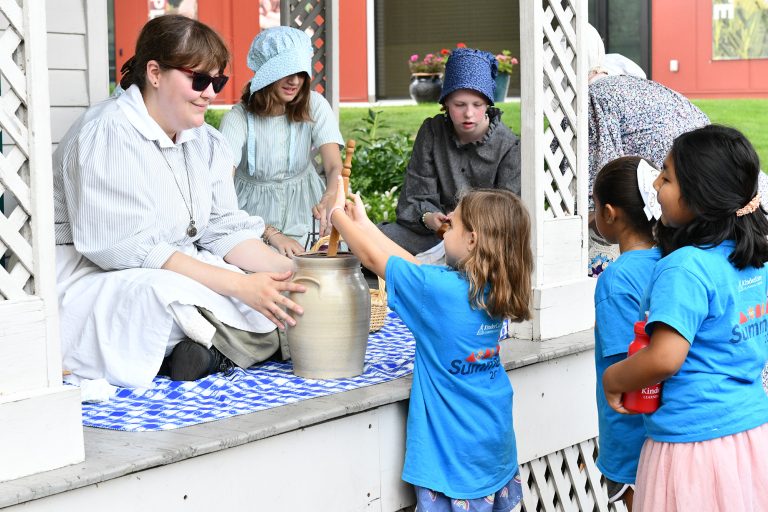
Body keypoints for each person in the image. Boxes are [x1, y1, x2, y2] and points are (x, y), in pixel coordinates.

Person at [53, 15, 307, 388]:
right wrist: (238, 286)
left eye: (217, 81)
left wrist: (299, 271)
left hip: (175, 265)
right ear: (154, 73)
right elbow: (125, 250)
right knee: (172, 297)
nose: (210, 93)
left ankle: (204, 353)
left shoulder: (203, 140)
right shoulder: (108, 134)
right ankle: (214, 350)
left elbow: (224, 230)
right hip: (99, 275)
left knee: (277, 294)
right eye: (199, 80)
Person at [328, 176, 531, 511]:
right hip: (493, 447)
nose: (444, 229)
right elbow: (410, 266)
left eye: (451, 226)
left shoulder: (439, 291)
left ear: (472, 240)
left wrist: (336, 215)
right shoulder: (493, 288)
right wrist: (362, 222)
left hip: (453, 460)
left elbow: (372, 258)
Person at [602, 125, 768, 510]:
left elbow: (664, 358)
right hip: (750, 436)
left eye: (666, 176)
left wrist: (614, 378)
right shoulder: (751, 260)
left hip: (692, 447)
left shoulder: (684, 268)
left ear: (699, 196)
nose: (657, 184)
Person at [379, 47, 522, 255]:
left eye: (477, 104)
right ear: (445, 102)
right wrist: (430, 219)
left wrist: (463, 230)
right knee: (377, 238)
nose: (469, 113)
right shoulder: (432, 132)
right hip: (433, 238)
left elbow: (506, 216)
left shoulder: (509, 146)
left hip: (483, 245)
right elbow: (414, 197)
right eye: (459, 104)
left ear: (488, 104)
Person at [218, 26, 344, 257]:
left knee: (317, 263)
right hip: (251, 214)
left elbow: (335, 166)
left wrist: (330, 195)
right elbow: (221, 186)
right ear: (266, 73)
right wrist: (269, 232)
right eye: (285, 71)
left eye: (300, 72)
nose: (294, 81)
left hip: (306, 206)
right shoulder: (238, 119)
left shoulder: (315, 104)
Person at [592, 156, 662, 510]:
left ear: (609, 213)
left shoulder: (616, 279)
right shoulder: (672, 261)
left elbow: (628, 370)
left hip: (632, 445)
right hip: (666, 437)